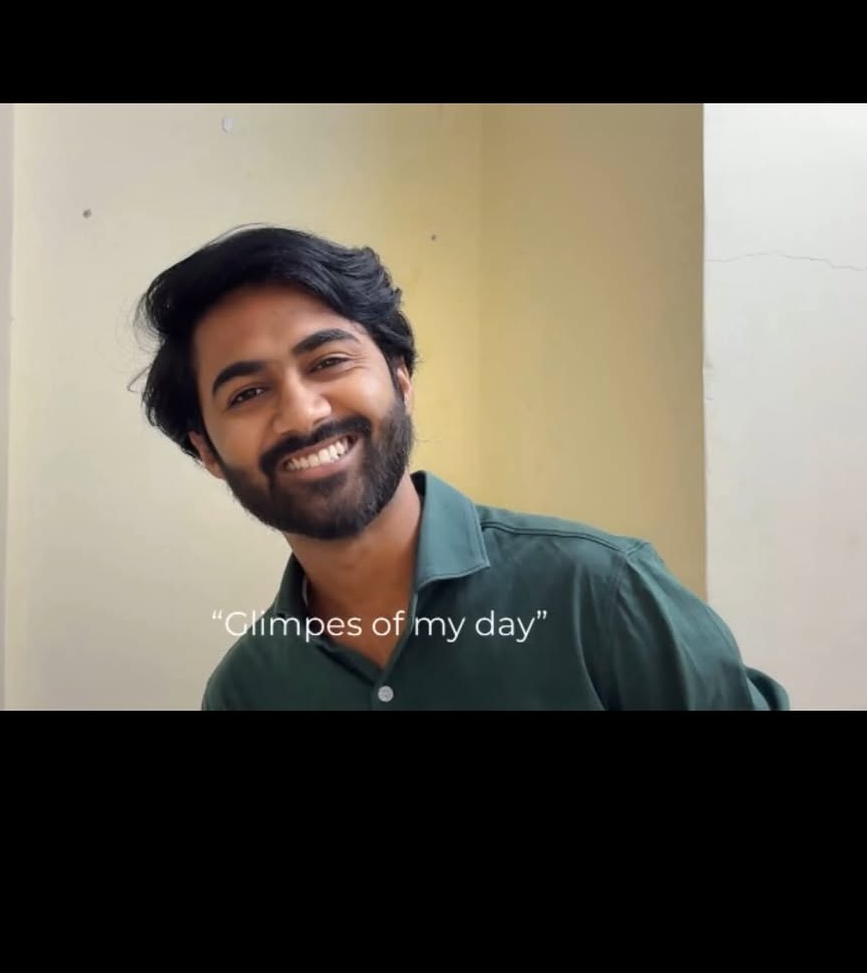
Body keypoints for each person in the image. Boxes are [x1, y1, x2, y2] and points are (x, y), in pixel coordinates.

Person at [134, 225, 789, 712]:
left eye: (328, 362)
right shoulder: (247, 691)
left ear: (401, 379)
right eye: (247, 393)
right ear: (207, 451)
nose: (303, 414)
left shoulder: (602, 593)